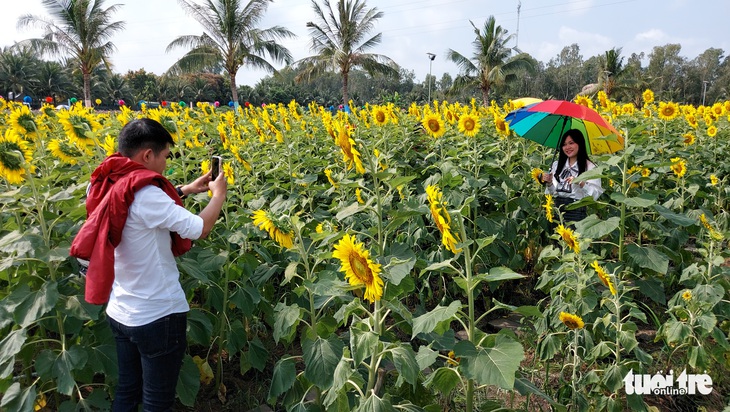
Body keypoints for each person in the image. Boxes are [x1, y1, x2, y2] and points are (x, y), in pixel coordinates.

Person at [70, 118, 227, 411]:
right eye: (165, 156)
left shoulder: (110, 180)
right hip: (157, 315)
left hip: (121, 312)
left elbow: (138, 209)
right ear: (147, 155)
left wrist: (186, 189)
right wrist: (218, 196)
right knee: (157, 401)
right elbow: (200, 228)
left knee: (127, 392)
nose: (166, 163)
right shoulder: (148, 195)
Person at [541, 129, 603, 222]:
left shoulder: (590, 167)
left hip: (576, 211)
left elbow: (595, 195)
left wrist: (580, 182)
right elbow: (553, 193)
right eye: (564, 144)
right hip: (556, 210)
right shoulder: (557, 165)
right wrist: (549, 183)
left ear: (580, 144)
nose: (567, 147)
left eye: (571, 143)